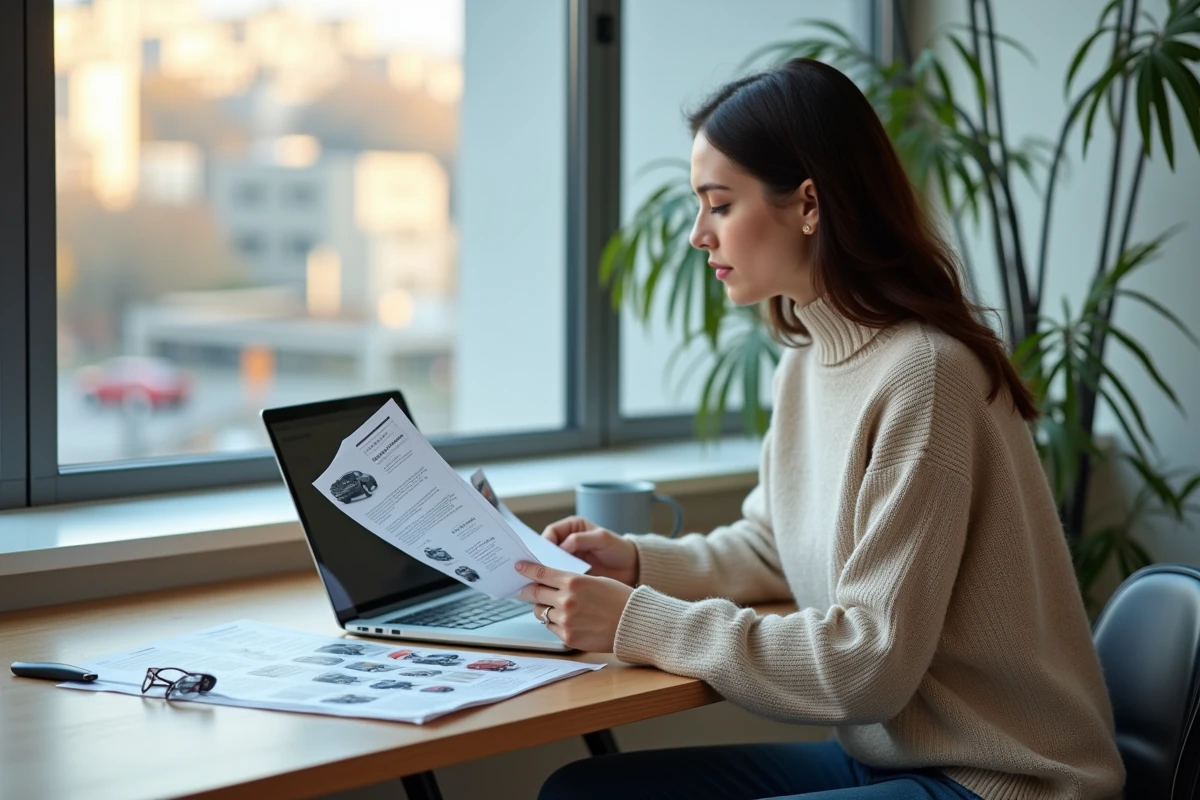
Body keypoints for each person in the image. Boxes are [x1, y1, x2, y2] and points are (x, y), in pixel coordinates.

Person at [513, 58, 1124, 800]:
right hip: (891, 758)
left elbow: (867, 666)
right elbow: (773, 546)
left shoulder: (924, 377)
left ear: (808, 204)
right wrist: (634, 564)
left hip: (998, 778)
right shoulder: (807, 360)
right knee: (586, 793)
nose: (698, 236)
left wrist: (639, 620)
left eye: (719, 204)